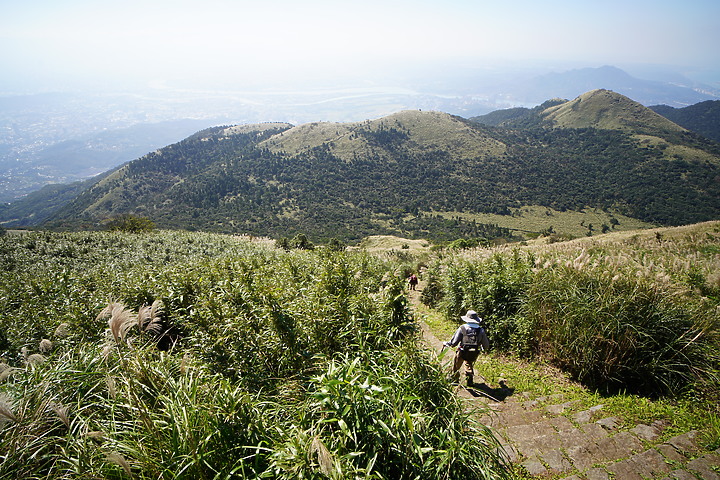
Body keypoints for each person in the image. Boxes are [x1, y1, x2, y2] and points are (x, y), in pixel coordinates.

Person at [443, 310, 489, 386]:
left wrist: (446, 344)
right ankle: (469, 380)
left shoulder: (462, 328)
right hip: (473, 351)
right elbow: (486, 345)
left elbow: (454, 343)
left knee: (456, 365)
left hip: (462, 351)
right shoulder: (481, 330)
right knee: (469, 364)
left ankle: (455, 380)